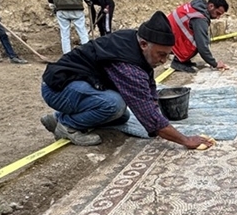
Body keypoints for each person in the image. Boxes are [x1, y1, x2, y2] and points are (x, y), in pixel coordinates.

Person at [40, 11, 215, 150]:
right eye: (161, 54)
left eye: (167, 55)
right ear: (144, 44)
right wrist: (185, 140)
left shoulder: (136, 42)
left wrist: (155, 105)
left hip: (78, 83)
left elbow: (148, 83)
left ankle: (58, 118)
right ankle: (67, 125)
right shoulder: (127, 65)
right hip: (58, 88)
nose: (163, 61)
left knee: (121, 116)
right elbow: (149, 116)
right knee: (113, 105)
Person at [167, 0, 229, 73]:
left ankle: (183, 60)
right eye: (218, 13)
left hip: (168, 35)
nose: (218, 17)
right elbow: (202, 46)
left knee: (200, 37)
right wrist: (215, 64)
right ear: (211, 6)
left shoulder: (197, 6)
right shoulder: (200, 19)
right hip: (168, 41)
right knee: (199, 41)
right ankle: (178, 62)